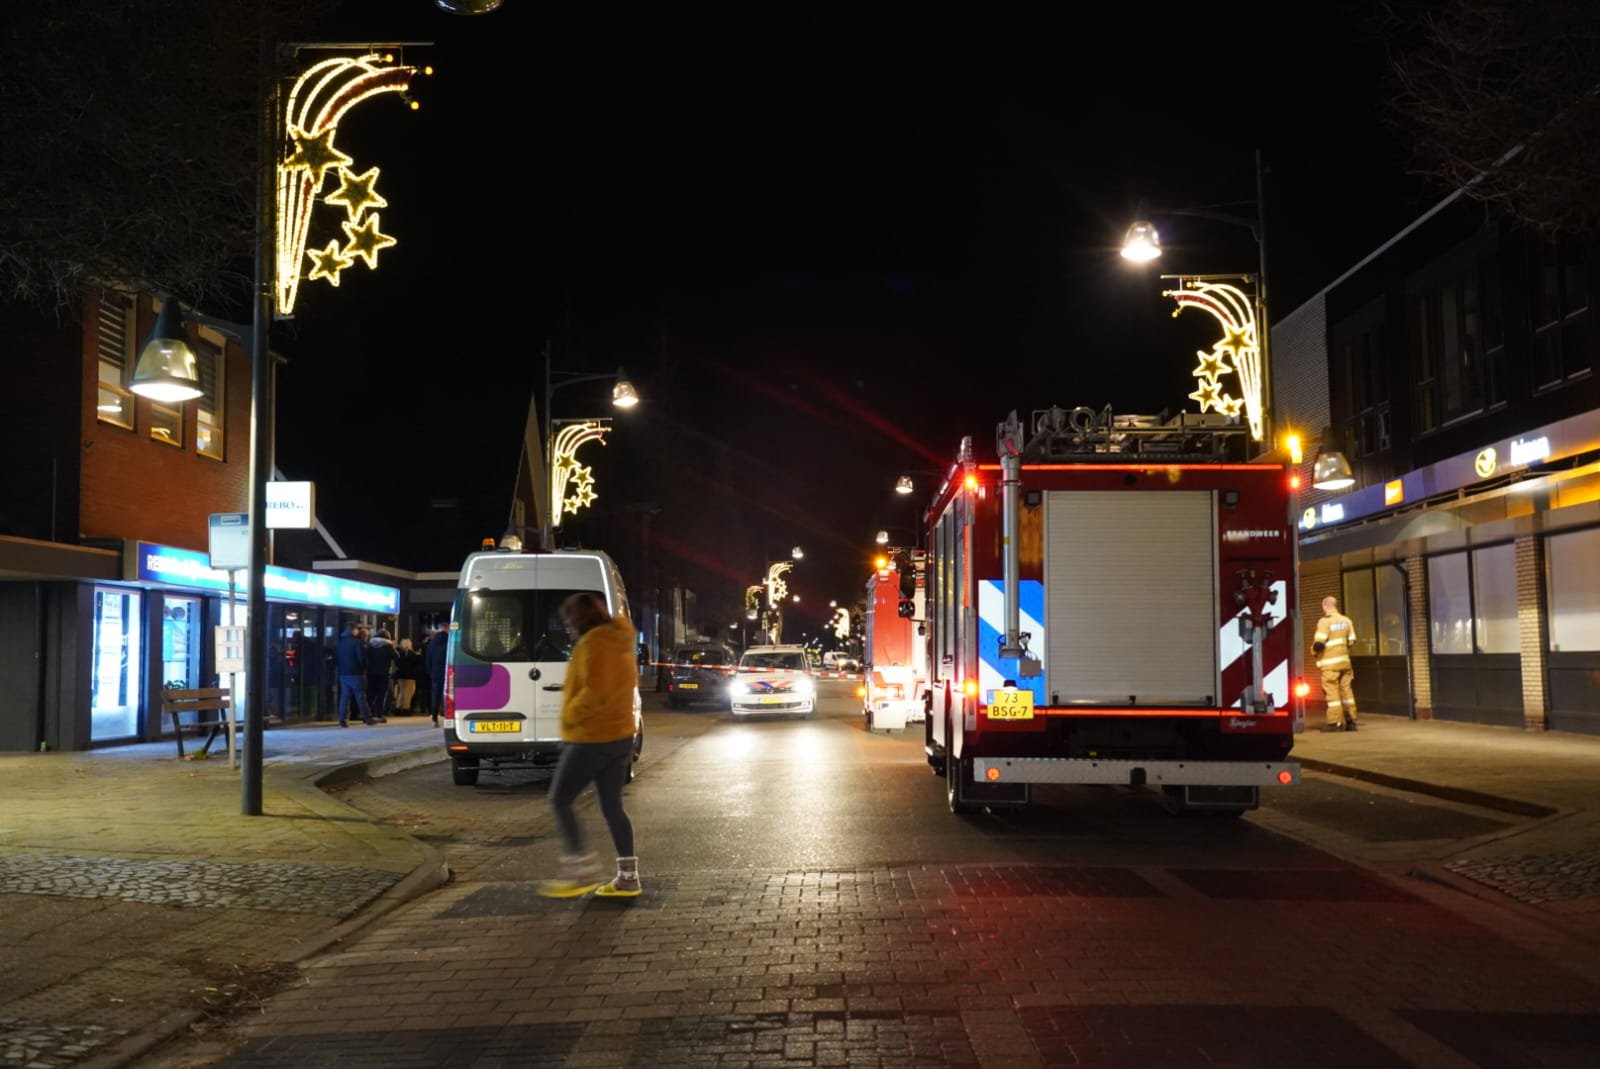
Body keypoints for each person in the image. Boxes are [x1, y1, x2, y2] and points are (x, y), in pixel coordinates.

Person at [538, 593, 641, 899]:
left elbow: (595, 691)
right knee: (612, 807)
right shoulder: (619, 641)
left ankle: (579, 869)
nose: (568, 626)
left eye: (569, 619)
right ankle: (627, 877)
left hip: (591, 736)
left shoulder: (594, 643)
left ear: (579, 617)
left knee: (560, 798)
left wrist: (570, 715)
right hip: (620, 734)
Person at [1313, 595, 1358, 732]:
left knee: (1332, 693)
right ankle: (1351, 721)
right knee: (1347, 691)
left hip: (1330, 665)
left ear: (1325, 606)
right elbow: (1352, 640)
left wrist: (1314, 651)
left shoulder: (1324, 622)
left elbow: (1319, 644)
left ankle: (1335, 723)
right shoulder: (1346, 620)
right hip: (1345, 663)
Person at [333, 623, 375, 727]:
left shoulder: (340, 643)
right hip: (356, 673)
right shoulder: (357, 643)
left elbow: (336, 658)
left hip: (344, 674)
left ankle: (342, 719)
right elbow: (361, 658)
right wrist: (364, 668)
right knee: (360, 696)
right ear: (353, 630)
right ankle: (367, 718)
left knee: (345, 696)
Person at [365, 628, 396, 723]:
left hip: (371, 673)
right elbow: (396, 656)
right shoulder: (388, 646)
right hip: (384, 673)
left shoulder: (370, 644)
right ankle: (379, 714)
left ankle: (368, 713)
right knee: (381, 695)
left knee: (370, 694)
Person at [424, 620, 449, 728]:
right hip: (448, 673)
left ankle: (434, 718)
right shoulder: (449, 641)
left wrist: (431, 672)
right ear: (447, 628)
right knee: (449, 695)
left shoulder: (431, 643)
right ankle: (448, 716)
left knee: (436, 696)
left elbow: (428, 660)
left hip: (435, 674)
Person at [394, 638, 420, 713]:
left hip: (400, 675)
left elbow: (397, 662)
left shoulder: (399, 653)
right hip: (410, 675)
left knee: (401, 691)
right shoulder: (412, 654)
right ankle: (406, 708)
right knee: (409, 692)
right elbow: (416, 663)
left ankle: (398, 707)